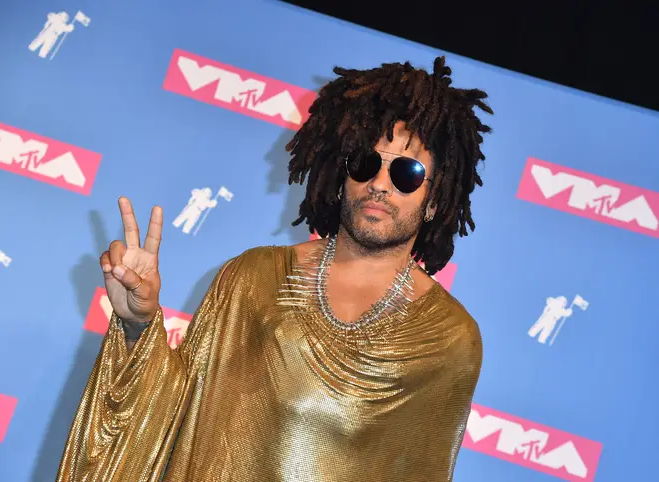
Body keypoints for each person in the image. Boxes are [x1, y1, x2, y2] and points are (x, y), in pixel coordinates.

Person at [57, 56, 493, 481]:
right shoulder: (254, 276)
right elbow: (175, 412)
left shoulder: (450, 339)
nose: (379, 184)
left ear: (435, 201)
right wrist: (138, 324)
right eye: (364, 163)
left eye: (407, 173)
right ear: (340, 175)